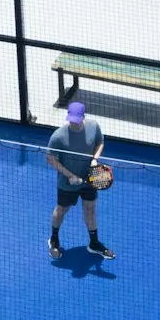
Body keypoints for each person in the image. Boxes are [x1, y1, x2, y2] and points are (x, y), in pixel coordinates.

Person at [48, 100, 113, 262]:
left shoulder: (94, 127)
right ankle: (54, 239)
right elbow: (50, 158)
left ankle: (94, 243)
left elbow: (100, 143)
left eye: (76, 120)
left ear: (83, 117)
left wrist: (94, 160)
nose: (73, 123)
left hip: (90, 179)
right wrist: (69, 175)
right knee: (62, 209)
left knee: (90, 209)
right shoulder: (59, 136)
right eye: (71, 119)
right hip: (67, 183)